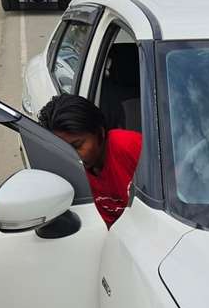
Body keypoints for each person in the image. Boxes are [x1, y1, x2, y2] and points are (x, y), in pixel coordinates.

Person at [38, 94, 142, 229]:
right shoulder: (63, 170)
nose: (71, 156)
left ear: (100, 132)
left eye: (77, 146)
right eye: (62, 150)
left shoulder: (129, 146)